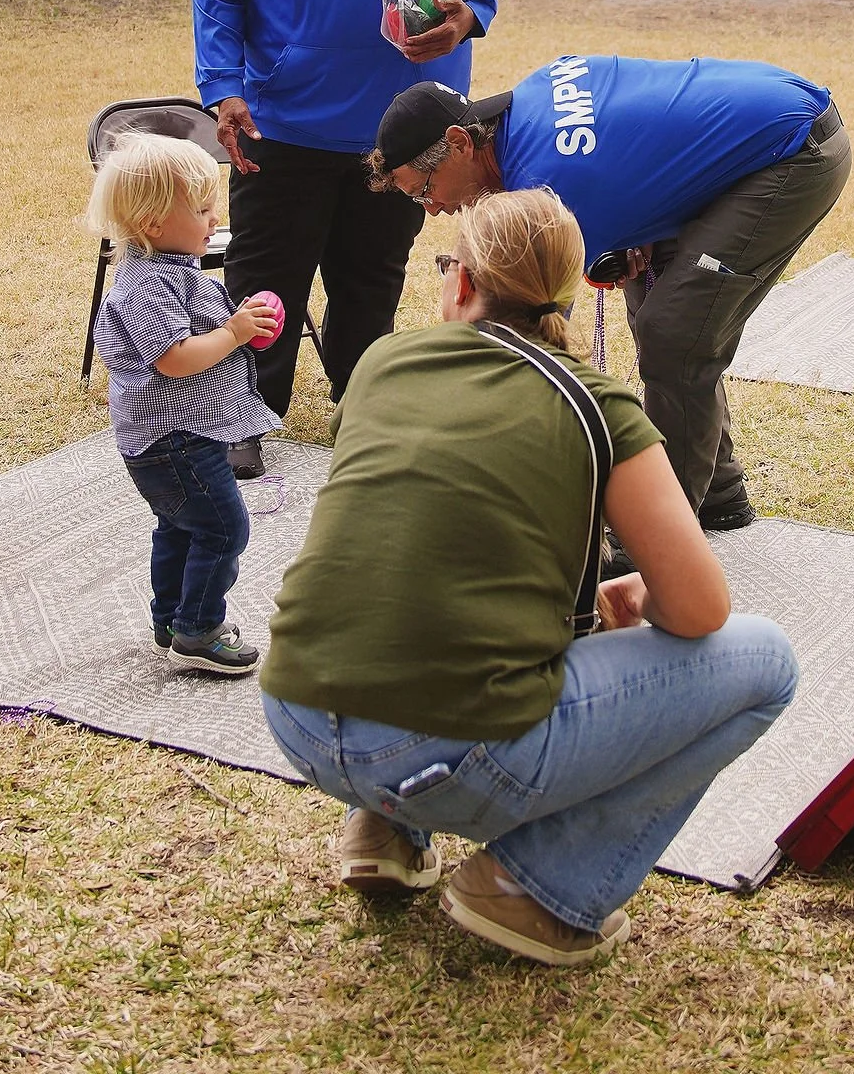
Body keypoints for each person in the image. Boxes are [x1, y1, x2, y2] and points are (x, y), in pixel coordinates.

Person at [260, 187, 797, 969]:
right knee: (767, 664)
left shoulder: (382, 362)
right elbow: (701, 609)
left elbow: (401, 535)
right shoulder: (598, 404)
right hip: (449, 752)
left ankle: (380, 828)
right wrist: (637, 600)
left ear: (464, 282)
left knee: (407, 592)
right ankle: (534, 888)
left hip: (299, 716)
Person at [189, 0, 514, 478]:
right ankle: (245, 410)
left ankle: (364, 404)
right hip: (285, 114)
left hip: (401, 118)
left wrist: (470, 14)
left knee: (372, 277)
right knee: (266, 273)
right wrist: (224, 88)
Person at [370, 58, 851, 532]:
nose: (431, 210)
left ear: (459, 143)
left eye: (424, 190)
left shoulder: (548, 181)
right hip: (758, 122)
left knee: (674, 330)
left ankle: (654, 538)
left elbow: (529, 335)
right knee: (655, 292)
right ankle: (719, 492)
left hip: (792, 150)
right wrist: (632, 215)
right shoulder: (527, 109)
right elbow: (616, 144)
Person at [88, 132, 282, 676]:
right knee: (224, 529)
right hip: (170, 441)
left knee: (181, 526)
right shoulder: (144, 286)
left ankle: (170, 618)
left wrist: (234, 322)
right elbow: (173, 358)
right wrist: (236, 334)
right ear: (152, 224)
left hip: (181, 435)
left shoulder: (174, 271)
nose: (212, 219)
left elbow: (196, 334)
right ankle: (198, 628)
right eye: (200, 209)